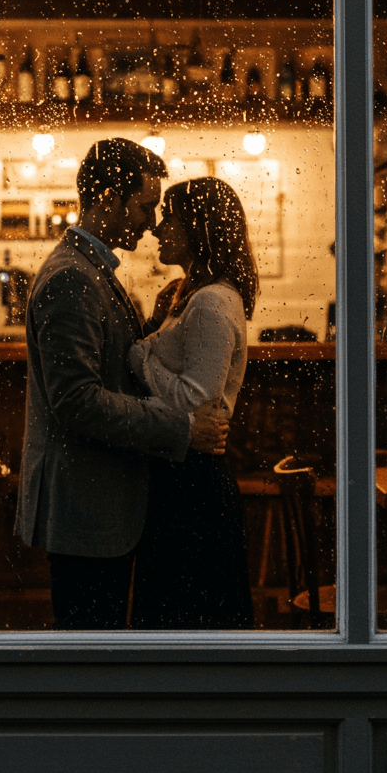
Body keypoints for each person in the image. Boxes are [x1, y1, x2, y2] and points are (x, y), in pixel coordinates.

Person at [15, 138, 230, 630]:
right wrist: (182, 428)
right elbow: (77, 401)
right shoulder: (73, 277)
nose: (152, 221)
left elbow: (106, 370)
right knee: (89, 666)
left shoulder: (89, 270)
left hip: (97, 507)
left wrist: (149, 329)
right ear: (108, 198)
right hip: (86, 512)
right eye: (144, 205)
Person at [129, 177, 258, 630]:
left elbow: (194, 403)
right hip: (178, 477)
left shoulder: (211, 302)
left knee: (190, 623)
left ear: (197, 227)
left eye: (170, 218)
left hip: (195, 487)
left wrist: (140, 356)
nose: (158, 229)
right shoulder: (185, 294)